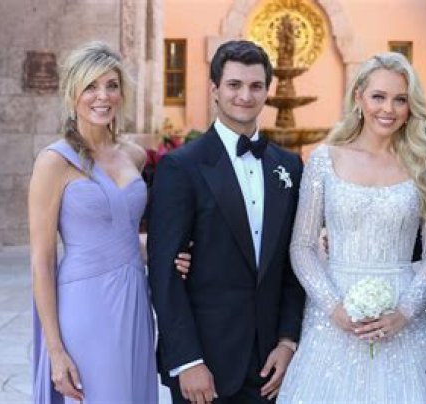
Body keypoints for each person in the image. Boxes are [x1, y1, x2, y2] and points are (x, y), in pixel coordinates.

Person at [276, 52, 426, 403]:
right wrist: (333, 308)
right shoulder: (325, 160)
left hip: (404, 317)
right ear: (359, 97)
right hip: (334, 316)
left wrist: (405, 312)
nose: (388, 109)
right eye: (378, 97)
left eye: (400, 99)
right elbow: (302, 246)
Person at [146, 40, 306, 403]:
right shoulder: (180, 167)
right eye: (234, 85)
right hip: (205, 363)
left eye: (256, 86)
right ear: (215, 89)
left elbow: (293, 263)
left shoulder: (289, 167)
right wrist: (187, 360)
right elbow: (164, 273)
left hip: (270, 365)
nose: (245, 96)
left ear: (267, 90)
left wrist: (288, 342)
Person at [29, 41, 157, 402]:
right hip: (85, 305)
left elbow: (123, 233)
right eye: (90, 86)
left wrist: (170, 253)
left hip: (135, 300)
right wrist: (55, 351)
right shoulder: (53, 162)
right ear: (73, 94)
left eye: (111, 85)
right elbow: (42, 260)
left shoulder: (134, 156)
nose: (103, 96)